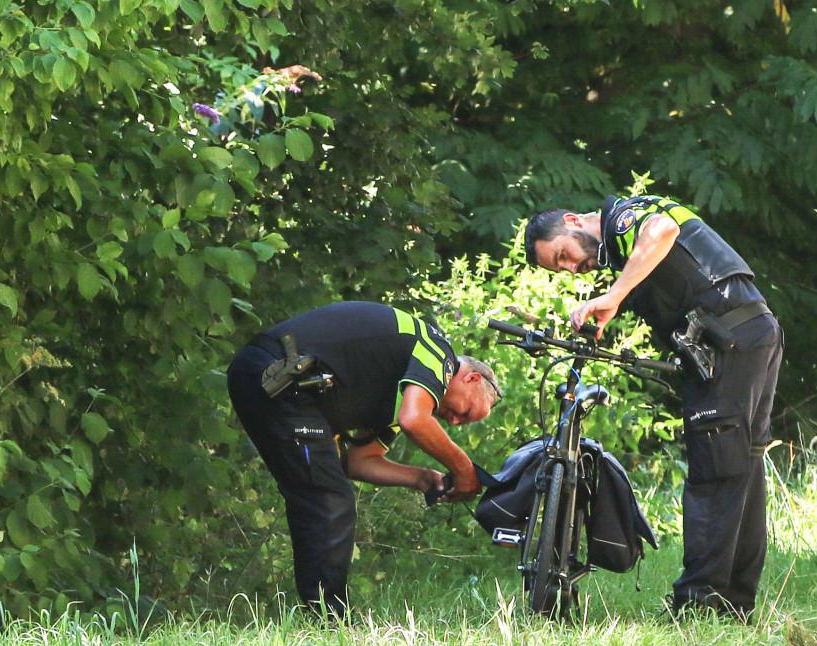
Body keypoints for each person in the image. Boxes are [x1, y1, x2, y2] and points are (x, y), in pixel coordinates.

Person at [524, 195, 782, 618]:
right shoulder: (623, 247)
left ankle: (698, 606)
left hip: (732, 342)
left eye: (563, 255)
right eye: (562, 269)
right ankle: (733, 606)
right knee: (742, 472)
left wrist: (615, 294)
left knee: (714, 475)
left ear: (573, 222)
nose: (571, 268)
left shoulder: (622, 219)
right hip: (748, 334)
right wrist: (614, 305)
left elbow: (662, 231)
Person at [226, 300, 501, 616]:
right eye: (465, 414)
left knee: (322, 493)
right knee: (329, 499)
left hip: (278, 384)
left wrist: (423, 478)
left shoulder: (403, 391)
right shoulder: (439, 351)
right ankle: (329, 622)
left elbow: (359, 461)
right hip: (275, 373)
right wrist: (463, 468)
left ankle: (322, 618)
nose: (453, 423)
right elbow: (415, 420)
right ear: (472, 379)